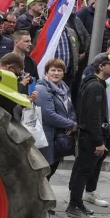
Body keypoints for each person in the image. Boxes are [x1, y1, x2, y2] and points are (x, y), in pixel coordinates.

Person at [67, 53, 110, 218]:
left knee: (81, 170)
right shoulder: (96, 86)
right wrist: (98, 141)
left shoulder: (92, 83)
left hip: (86, 136)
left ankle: (76, 203)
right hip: (90, 137)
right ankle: (74, 205)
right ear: (101, 66)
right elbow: (93, 117)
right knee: (84, 172)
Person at [35, 59, 77, 188]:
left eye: (59, 70)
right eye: (53, 70)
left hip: (59, 136)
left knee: (52, 168)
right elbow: (48, 115)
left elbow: (71, 109)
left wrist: (72, 121)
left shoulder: (64, 88)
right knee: (44, 171)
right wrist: (71, 125)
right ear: (46, 72)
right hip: (47, 136)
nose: (56, 73)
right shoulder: (41, 89)